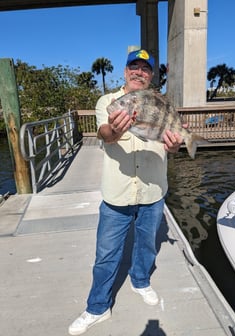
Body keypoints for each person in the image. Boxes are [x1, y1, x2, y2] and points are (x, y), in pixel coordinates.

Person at [68, 49, 184, 335]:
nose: (139, 72)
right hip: (117, 194)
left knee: (146, 245)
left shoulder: (163, 104)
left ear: (152, 75)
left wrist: (177, 145)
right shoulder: (108, 102)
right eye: (134, 66)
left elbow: (172, 140)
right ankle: (97, 307)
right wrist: (115, 132)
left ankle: (140, 281)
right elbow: (104, 135)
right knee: (106, 254)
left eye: (145, 69)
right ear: (124, 71)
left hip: (153, 192)